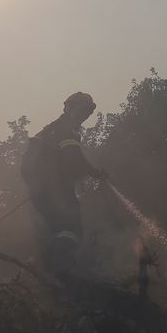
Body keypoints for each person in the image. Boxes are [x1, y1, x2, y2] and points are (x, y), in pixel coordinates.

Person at [21, 92, 107, 274]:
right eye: (82, 110)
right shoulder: (65, 128)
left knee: (57, 229)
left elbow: (67, 162)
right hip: (54, 189)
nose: (84, 115)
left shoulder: (54, 129)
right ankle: (60, 270)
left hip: (42, 189)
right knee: (72, 227)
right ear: (68, 108)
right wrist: (95, 172)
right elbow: (74, 159)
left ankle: (44, 267)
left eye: (87, 112)